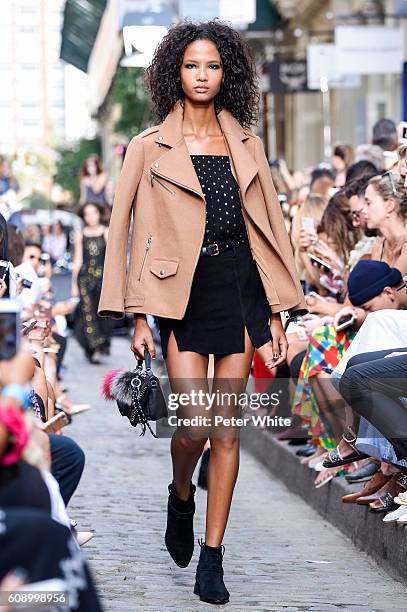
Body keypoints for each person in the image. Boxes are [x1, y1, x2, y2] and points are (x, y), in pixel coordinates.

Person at [98, 20, 306, 605]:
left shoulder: (247, 145)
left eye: (212, 66)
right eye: (192, 66)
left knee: (226, 428)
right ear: (175, 72)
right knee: (192, 424)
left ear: (227, 73)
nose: (202, 75)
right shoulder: (146, 146)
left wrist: (276, 314)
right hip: (180, 295)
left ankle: (213, 557)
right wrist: (135, 314)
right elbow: (123, 233)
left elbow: (270, 233)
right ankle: (180, 494)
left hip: (239, 287)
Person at [72, 202, 112, 364]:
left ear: (99, 214)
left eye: (93, 213)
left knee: (102, 313)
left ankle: (101, 345)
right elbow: (77, 261)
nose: (91, 217)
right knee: (87, 314)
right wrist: (73, 285)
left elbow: (112, 259)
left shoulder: (107, 232)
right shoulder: (80, 234)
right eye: (87, 214)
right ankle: (92, 348)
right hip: (84, 280)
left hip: (103, 278)